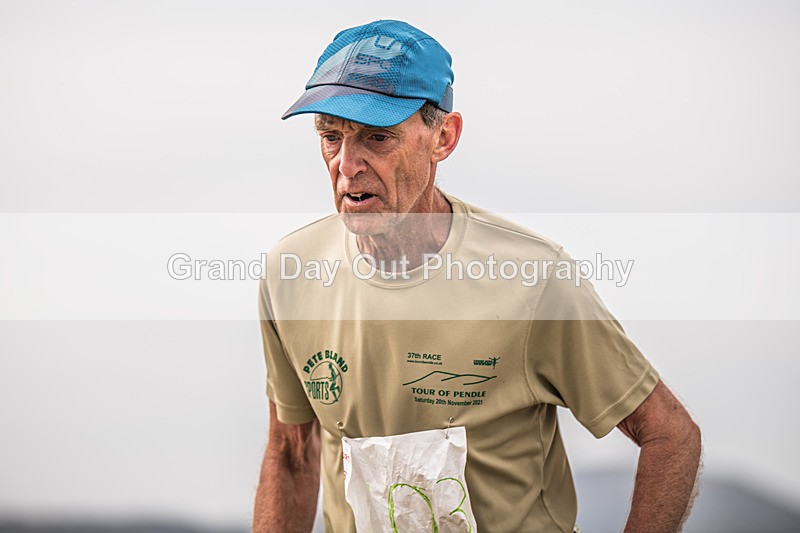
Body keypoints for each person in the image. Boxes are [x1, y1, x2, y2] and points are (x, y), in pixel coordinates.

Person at [253, 19, 701, 533]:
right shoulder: (291, 275)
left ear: (444, 137)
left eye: (377, 137)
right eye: (330, 136)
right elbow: (291, 455)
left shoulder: (533, 280)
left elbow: (671, 435)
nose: (347, 164)